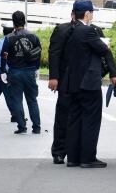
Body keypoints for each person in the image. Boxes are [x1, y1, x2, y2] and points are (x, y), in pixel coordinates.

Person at [60, 0, 116, 169]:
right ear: (86, 14)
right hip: (88, 82)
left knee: (74, 120)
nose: (92, 16)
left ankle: (73, 157)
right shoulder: (87, 31)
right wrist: (106, 44)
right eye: (91, 13)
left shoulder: (69, 30)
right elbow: (103, 49)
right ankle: (87, 158)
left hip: (72, 82)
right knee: (91, 120)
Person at [3, 11, 42, 135]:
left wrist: (5, 70)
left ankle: (21, 126)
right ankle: (36, 127)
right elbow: (38, 54)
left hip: (15, 72)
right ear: (24, 22)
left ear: (13, 23)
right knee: (32, 100)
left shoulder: (8, 38)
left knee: (17, 100)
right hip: (30, 71)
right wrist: (35, 68)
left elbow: (4, 56)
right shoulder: (33, 36)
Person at [48, 12, 76, 164]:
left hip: (85, 82)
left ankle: (78, 151)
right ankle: (59, 151)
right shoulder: (62, 30)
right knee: (63, 116)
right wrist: (53, 77)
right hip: (65, 80)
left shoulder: (95, 30)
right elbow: (54, 53)